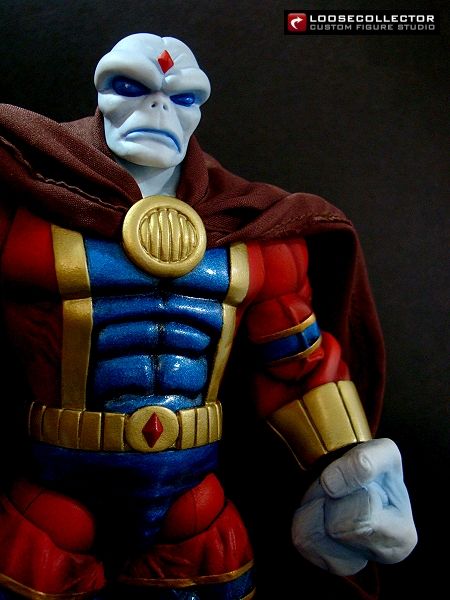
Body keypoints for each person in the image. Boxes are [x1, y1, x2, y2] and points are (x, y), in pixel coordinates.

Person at [0, 33, 417, 600]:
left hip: (192, 493)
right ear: (101, 93)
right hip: (56, 484)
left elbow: (296, 364)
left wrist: (351, 467)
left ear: (198, 109)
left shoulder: (252, 227)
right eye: (131, 87)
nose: (158, 107)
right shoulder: (24, 208)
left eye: (182, 97)